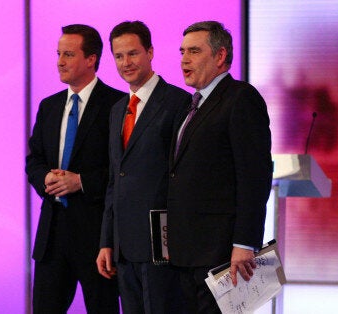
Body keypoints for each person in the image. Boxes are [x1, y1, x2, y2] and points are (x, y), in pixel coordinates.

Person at [168, 21, 272, 313]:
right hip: (186, 251)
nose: (184, 59)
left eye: (194, 51)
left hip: (222, 252)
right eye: (182, 51)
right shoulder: (189, 106)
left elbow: (255, 177)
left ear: (220, 56)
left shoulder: (241, 98)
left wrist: (245, 242)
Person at [26, 24, 124, 313]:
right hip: (52, 233)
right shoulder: (49, 106)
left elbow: (123, 169)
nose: (60, 61)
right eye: (58, 54)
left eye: (68, 54)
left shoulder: (117, 104)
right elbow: (33, 159)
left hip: (97, 236)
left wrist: (81, 182)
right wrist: (44, 176)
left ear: (91, 59)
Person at [96, 20, 192, 313]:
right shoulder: (116, 111)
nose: (126, 62)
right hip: (125, 248)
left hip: (163, 244)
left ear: (150, 52)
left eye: (133, 53)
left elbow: (184, 177)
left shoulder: (179, 102)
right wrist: (107, 242)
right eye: (119, 56)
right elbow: (115, 179)